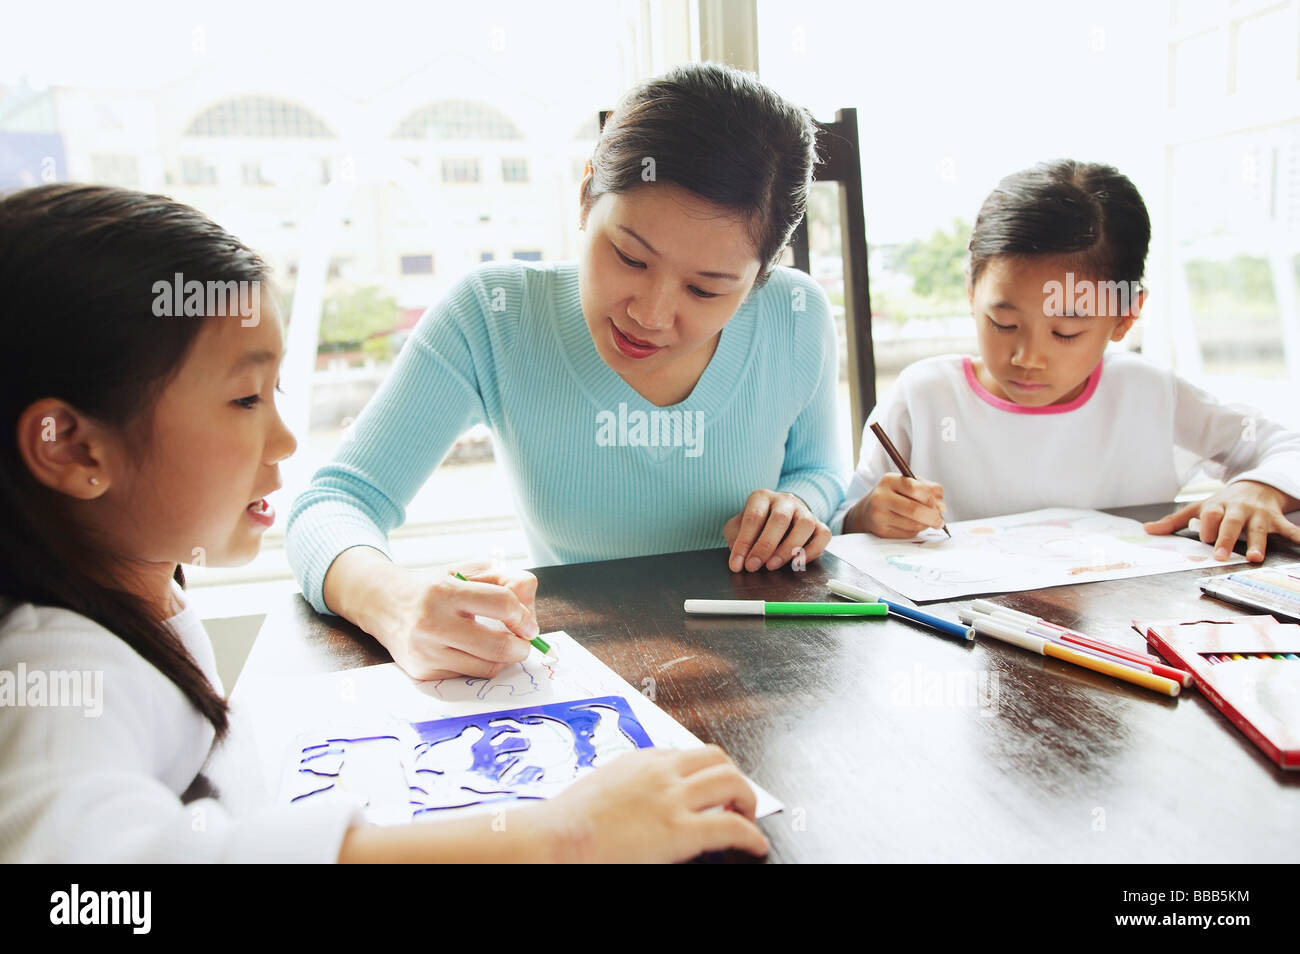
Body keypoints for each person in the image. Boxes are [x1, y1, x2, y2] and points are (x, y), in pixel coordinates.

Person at [0, 183, 768, 863]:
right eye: (244, 399)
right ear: (69, 446)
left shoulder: (134, 589)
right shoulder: (55, 669)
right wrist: (563, 839)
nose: (287, 441)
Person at [288, 62, 846, 681]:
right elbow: (335, 503)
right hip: (585, 673)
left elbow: (819, 472)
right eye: (629, 256)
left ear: (761, 276)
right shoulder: (495, 317)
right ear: (586, 197)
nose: (651, 314)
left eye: (706, 289)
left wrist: (797, 506)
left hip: (758, 667)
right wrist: (393, 603)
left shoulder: (794, 315)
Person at [834, 159, 1300, 562]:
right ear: (972, 291)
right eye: (1003, 323)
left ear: (1125, 315)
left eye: (1066, 332)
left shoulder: (1148, 393)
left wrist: (1260, 487)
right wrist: (867, 515)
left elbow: (1285, 446)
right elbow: (842, 518)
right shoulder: (925, 396)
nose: (1028, 357)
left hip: (1123, 638)